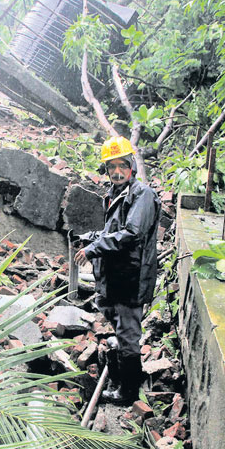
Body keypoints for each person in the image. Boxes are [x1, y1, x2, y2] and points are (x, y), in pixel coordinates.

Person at [73, 136, 160, 405]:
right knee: (115, 319)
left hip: (131, 277)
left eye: (122, 165)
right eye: (112, 167)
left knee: (128, 332)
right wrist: (89, 236)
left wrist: (94, 249)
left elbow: (131, 233)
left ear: (132, 166)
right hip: (115, 277)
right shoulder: (113, 194)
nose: (117, 172)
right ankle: (123, 361)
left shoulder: (142, 195)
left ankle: (128, 391)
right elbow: (113, 231)